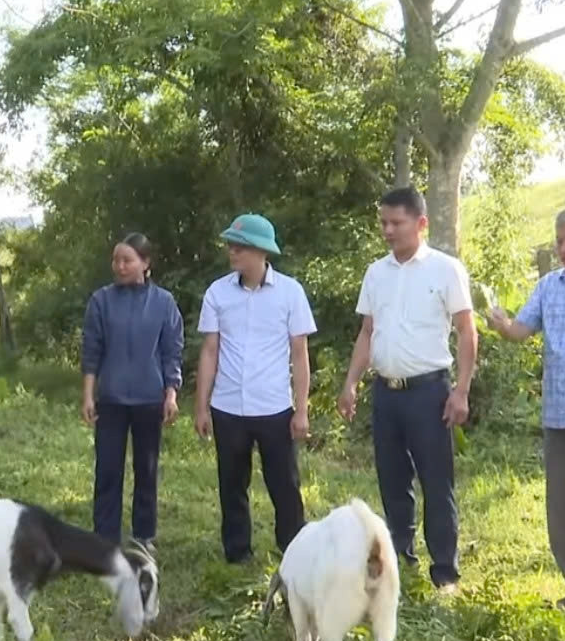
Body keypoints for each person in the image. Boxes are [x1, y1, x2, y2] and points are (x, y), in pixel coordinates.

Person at [338, 186, 477, 594]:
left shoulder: (445, 269)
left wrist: (461, 391)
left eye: (396, 223)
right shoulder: (376, 273)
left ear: (421, 223)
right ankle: (399, 559)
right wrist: (350, 383)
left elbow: (467, 331)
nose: (387, 230)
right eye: (383, 222)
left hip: (429, 393)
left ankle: (445, 572)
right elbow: (367, 332)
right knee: (392, 480)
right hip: (386, 394)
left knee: (436, 481)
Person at [194, 213, 315, 564]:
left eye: (241, 246)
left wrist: (302, 409)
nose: (232, 252)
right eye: (230, 245)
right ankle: (237, 552)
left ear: (262, 251)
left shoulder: (290, 293)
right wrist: (201, 406)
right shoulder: (217, 292)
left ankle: (294, 550)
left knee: (285, 484)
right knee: (232, 483)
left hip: (274, 406)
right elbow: (210, 350)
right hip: (228, 406)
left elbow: (299, 354)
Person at [80, 232, 183, 550]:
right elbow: (91, 351)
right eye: (116, 260)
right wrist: (88, 395)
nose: (120, 266)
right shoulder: (101, 301)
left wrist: (171, 393)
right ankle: (105, 538)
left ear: (145, 263)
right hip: (111, 400)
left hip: (149, 399)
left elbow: (172, 351)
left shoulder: (164, 302)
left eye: (127, 260)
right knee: (108, 469)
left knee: (146, 469)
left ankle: (143, 535)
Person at [485, 209, 565, 608]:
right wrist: (501, 323)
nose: (563, 248)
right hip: (557, 415)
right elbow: (520, 329)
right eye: (560, 241)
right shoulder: (549, 286)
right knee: (559, 505)